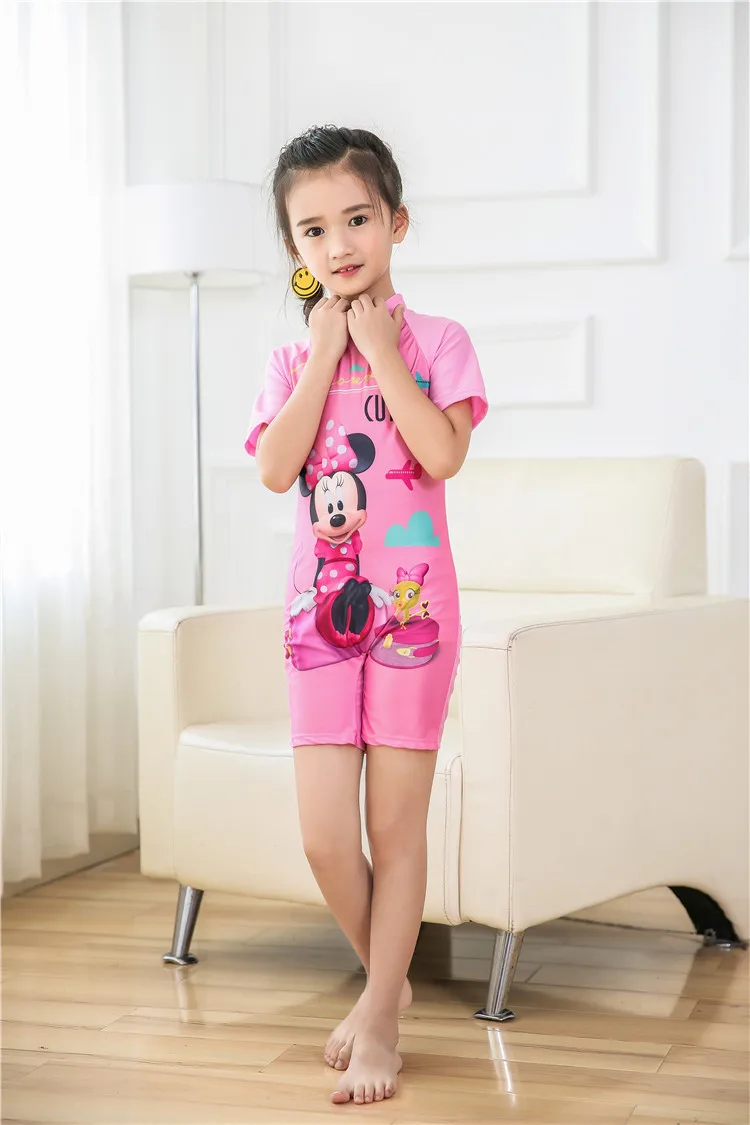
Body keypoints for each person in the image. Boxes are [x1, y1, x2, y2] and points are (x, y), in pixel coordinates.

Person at [245, 125, 488, 1106]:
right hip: (318, 616)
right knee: (324, 836)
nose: (339, 244)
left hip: (414, 615)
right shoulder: (287, 359)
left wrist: (382, 353)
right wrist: (323, 357)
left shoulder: (439, 343)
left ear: (396, 222)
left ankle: (381, 1014)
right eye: (314, 230)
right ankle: (388, 982)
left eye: (357, 219)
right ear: (294, 247)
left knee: (396, 828)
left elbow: (442, 453)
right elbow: (276, 469)